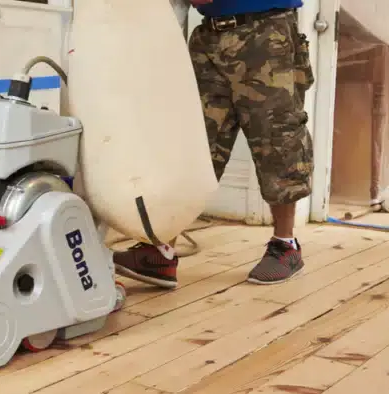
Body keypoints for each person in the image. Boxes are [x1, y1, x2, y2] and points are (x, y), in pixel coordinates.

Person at [113, 0, 315, 288]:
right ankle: (161, 251)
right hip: (208, 36)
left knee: (277, 140)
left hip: (266, 31)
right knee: (190, 142)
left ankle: (286, 245)